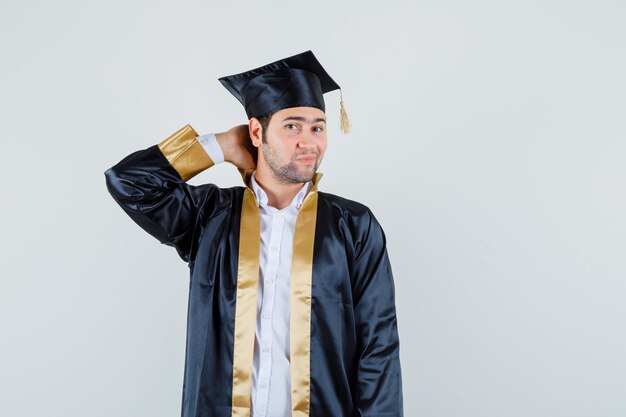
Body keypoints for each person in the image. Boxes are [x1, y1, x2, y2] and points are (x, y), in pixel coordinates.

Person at [104, 50, 403, 417]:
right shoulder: (210, 217)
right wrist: (220, 147)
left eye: (318, 127)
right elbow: (129, 182)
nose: (309, 142)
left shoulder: (353, 226)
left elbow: (379, 346)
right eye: (292, 126)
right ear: (257, 132)